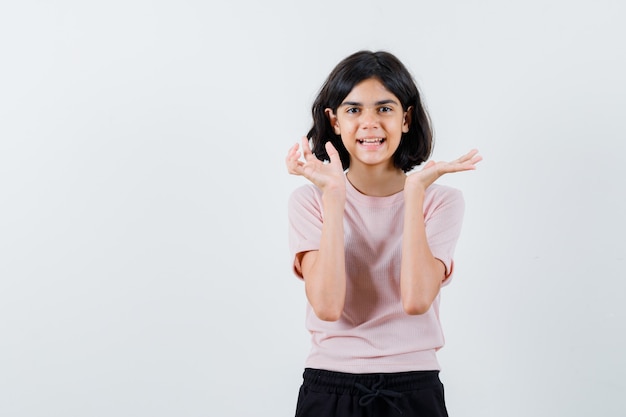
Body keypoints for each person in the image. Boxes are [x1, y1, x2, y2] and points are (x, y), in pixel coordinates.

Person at [285, 50, 481, 417]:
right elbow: (327, 307)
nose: (370, 123)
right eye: (354, 109)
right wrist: (334, 197)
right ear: (334, 120)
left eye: (385, 109)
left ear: (406, 118)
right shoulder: (310, 201)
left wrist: (414, 194)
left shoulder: (439, 200)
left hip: (413, 388)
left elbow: (417, 300)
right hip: (330, 387)